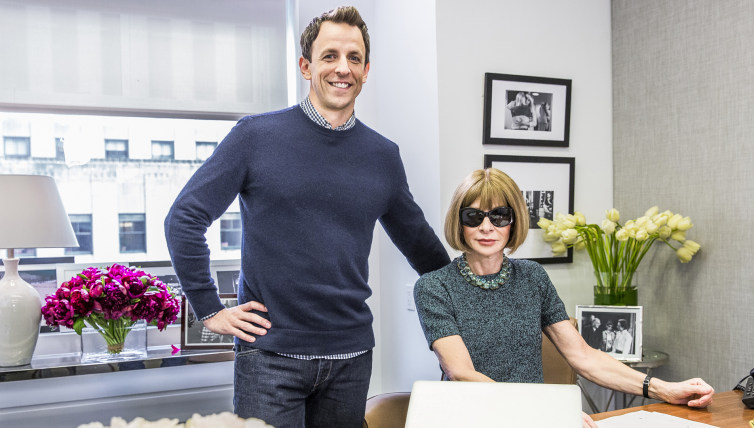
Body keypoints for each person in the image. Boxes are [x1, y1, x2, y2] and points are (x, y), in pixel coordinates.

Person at [164, 6, 450, 427]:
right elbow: (184, 219)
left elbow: (422, 247)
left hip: (350, 360)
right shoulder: (256, 136)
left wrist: (476, 297)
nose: (342, 68)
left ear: (366, 70)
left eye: (354, 58)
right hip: (270, 359)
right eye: (329, 55)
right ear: (306, 65)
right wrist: (209, 308)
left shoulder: (383, 156)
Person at [414, 168, 714, 428]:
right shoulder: (434, 287)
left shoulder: (532, 277)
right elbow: (462, 373)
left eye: (499, 216)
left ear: (514, 222)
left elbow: (582, 356)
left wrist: (664, 389)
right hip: (473, 419)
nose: (487, 226)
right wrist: (545, 414)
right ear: (459, 222)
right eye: (474, 216)